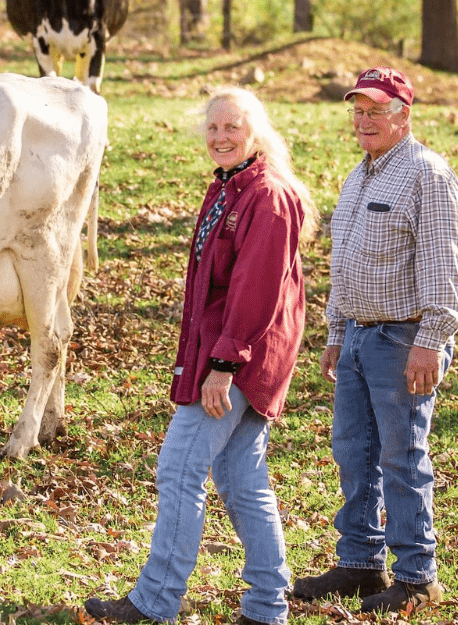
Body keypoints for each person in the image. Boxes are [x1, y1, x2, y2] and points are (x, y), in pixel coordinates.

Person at [85, 86, 319, 625]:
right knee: (241, 479)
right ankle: (266, 608)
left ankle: (155, 602)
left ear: (255, 132)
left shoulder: (268, 196)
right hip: (225, 354)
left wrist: (223, 366)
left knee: (179, 469)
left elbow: (254, 292)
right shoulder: (228, 188)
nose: (220, 137)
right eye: (213, 128)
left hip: (238, 361)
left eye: (232, 127)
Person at [292, 67, 458, 615]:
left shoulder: (425, 175)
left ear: (402, 116)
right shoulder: (359, 175)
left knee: (402, 456)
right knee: (353, 453)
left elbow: (443, 266)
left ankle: (417, 576)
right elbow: (342, 265)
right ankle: (361, 562)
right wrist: (336, 334)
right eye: (358, 112)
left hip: (403, 337)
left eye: (376, 112)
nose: (365, 121)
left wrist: (431, 340)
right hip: (358, 338)